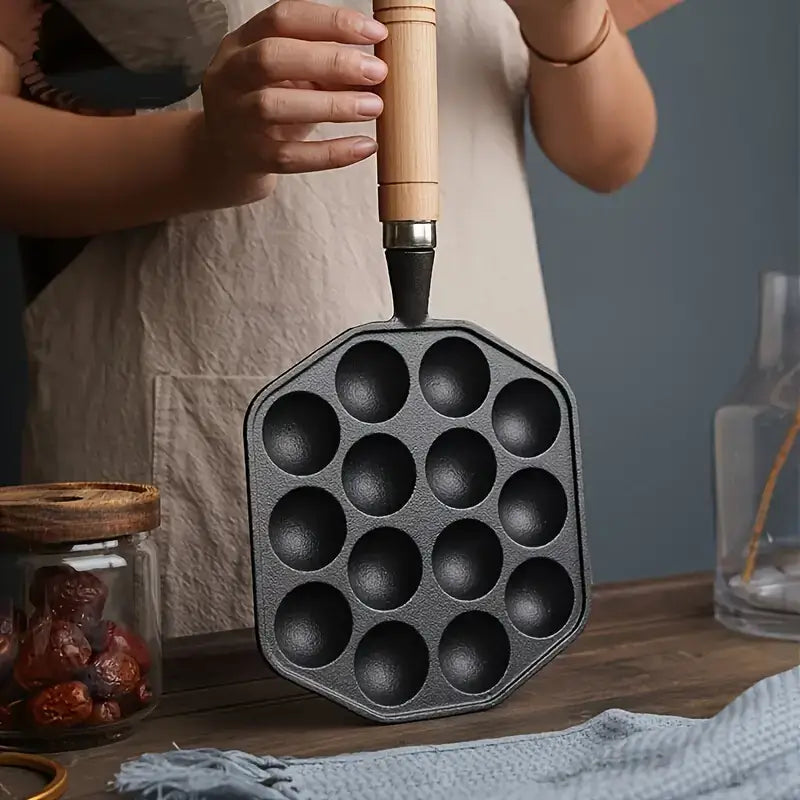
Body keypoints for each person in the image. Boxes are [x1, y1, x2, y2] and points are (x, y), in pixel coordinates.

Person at [0, 0, 659, 638]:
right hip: (200, 393)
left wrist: (569, 25)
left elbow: (608, 156)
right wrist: (206, 150)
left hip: (483, 397)